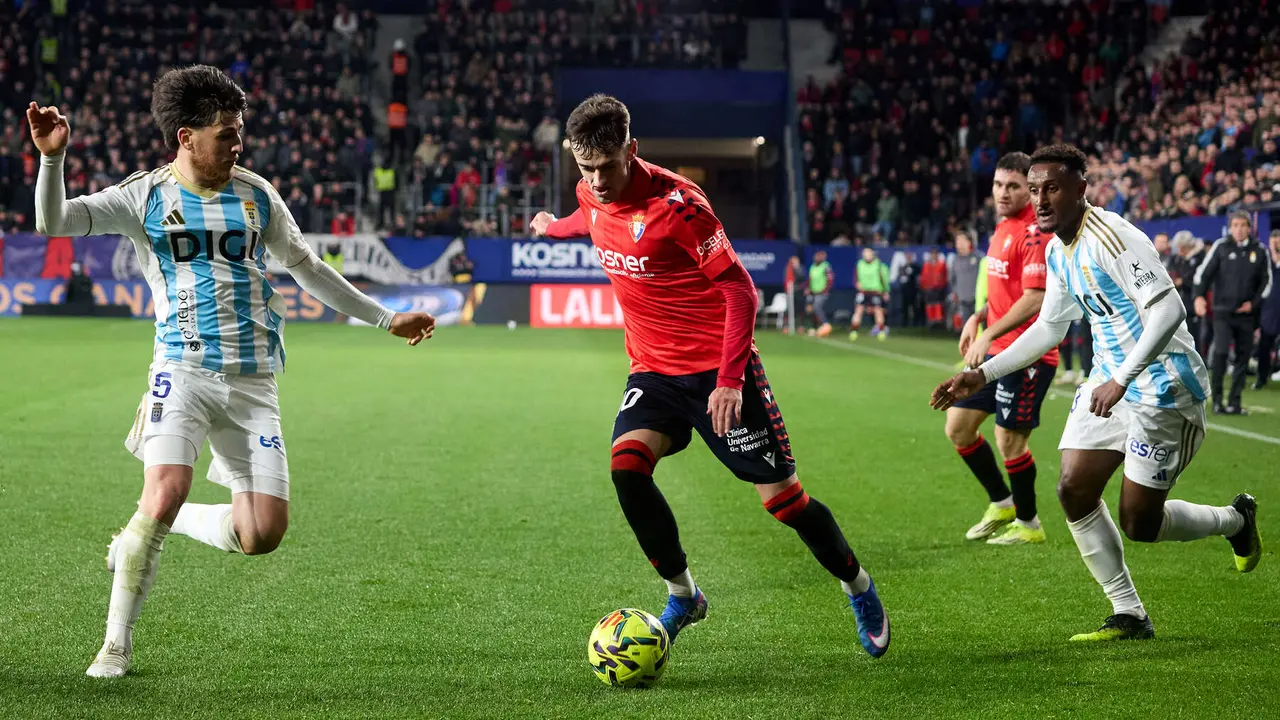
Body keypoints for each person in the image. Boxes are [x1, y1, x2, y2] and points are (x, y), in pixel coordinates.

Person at [27, 66, 436, 679]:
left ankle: (147, 531)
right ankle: (115, 646)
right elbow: (52, 223)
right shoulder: (143, 197)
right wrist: (52, 161)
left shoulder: (256, 194)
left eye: (239, 132)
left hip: (253, 381)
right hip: (181, 369)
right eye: (225, 134)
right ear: (185, 137)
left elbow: (306, 267)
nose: (237, 144)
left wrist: (384, 318)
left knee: (262, 532)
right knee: (165, 487)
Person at [529, 94, 889, 657]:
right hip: (653, 369)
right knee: (627, 467)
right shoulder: (588, 192)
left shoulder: (680, 207)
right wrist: (553, 228)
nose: (596, 181)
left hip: (719, 370)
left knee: (784, 503)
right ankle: (684, 595)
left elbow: (740, 290)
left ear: (632, 149)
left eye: (607, 166)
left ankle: (858, 584)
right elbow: (590, 219)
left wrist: (729, 379)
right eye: (585, 168)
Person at [931, 144, 1260, 642]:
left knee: (1139, 521)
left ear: (1082, 188)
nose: (1041, 200)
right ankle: (1128, 613)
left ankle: (1235, 520)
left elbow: (1169, 310)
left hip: (1163, 387)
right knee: (1073, 489)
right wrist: (985, 373)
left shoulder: (1115, 237)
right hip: (1110, 380)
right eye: (1035, 190)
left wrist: (1122, 377)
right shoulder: (1057, 246)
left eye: (1053, 188)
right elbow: (1050, 327)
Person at [946, 152, 1057, 545]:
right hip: (995, 350)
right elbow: (1004, 293)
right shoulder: (1003, 227)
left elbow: (1034, 298)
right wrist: (977, 319)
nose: (1003, 193)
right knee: (958, 428)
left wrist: (989, 333)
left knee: (1010, 441)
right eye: (998, 185)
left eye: (1013, 186)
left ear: (1030, 189)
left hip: (1028, 353)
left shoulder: (1035, 232)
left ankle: (1029, 525)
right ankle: (1002, 502)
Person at [1193, 211, 1272, 414]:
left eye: (1242, 225)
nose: (1238, 229)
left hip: (1247, 315)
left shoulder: (1260, 251)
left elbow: (1266, 282)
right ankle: (1217, 400)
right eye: (1235, 225)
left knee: (1242, 358)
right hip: (1222, 312)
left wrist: (1253, 304)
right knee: (1220, 353)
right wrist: (1199, 296)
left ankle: (1235, 402)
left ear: (1249, 228)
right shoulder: (1221, 247)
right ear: (1230, 227)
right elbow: (1203, 274)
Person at [1256, 229, 1280, 389]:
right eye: (1273, 241)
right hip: (1268, 310)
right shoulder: (1265, 263)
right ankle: (1261, 378)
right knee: (1264, 346)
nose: (1276, 244)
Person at [850, 246, 889, 340]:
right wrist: (856, 284)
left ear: (872, 255)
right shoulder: (859, 264)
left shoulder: (878, 264)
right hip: (863, 291)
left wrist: (885, 291)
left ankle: (881, 331)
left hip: (875, 291)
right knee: (858, 310)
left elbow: (883, 279)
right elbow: (856, 276)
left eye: (868, 253)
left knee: (878, 311)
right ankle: (854, 331)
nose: (867, 255)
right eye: (865, 254)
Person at [948, 231, 982, 333]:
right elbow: (952, 279)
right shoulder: (955, 260)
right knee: (967, 329)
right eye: (958, 241)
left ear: (969, 242)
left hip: (978, 300)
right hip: (963, 301)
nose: (959, 244)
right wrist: (957, 292)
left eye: (962, 240)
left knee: (980, 329)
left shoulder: (978, 257)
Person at [807, 249, 834, 337]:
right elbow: (810, 279)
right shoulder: (812, 266)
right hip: (813, 292)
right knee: (810, 309)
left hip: (822, 292)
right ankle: (815, 327)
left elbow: (830, 279)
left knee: (817, 307)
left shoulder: (826, 266)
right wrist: (809, 289)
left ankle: (826, 325)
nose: (817, 258)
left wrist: (826, 289)